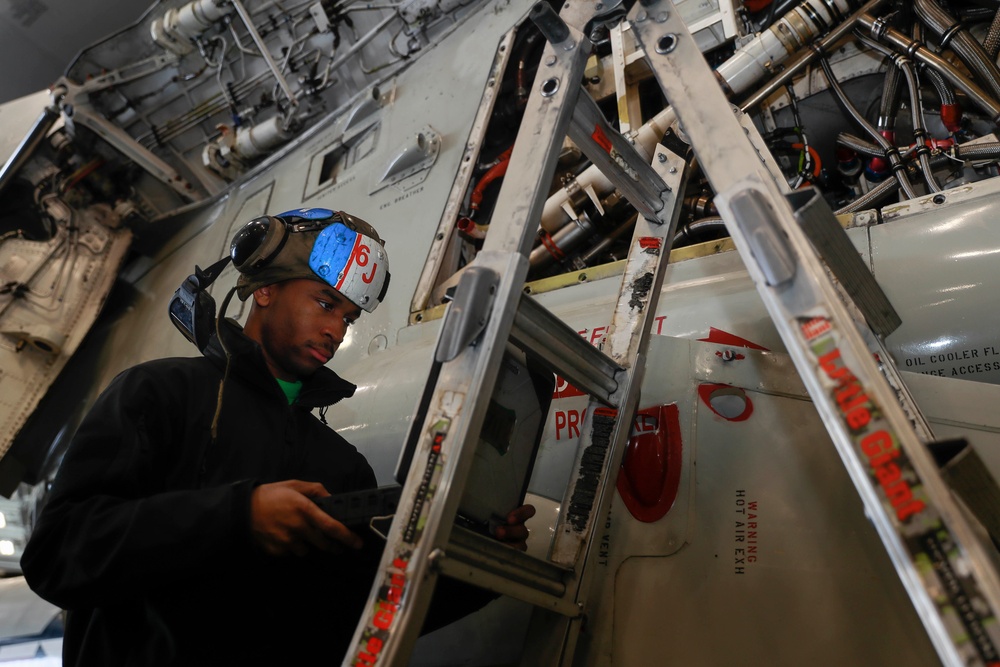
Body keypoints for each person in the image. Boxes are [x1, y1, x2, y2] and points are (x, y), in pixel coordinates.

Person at [21, 208, 534, 666]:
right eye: (325, 303)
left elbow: (363, 613)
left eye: (348, 317)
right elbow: (57, 553)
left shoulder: (340, 464)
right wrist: (239, 516)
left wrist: (479, 563)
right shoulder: (158, 394)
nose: (337, 330)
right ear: (265, 289)